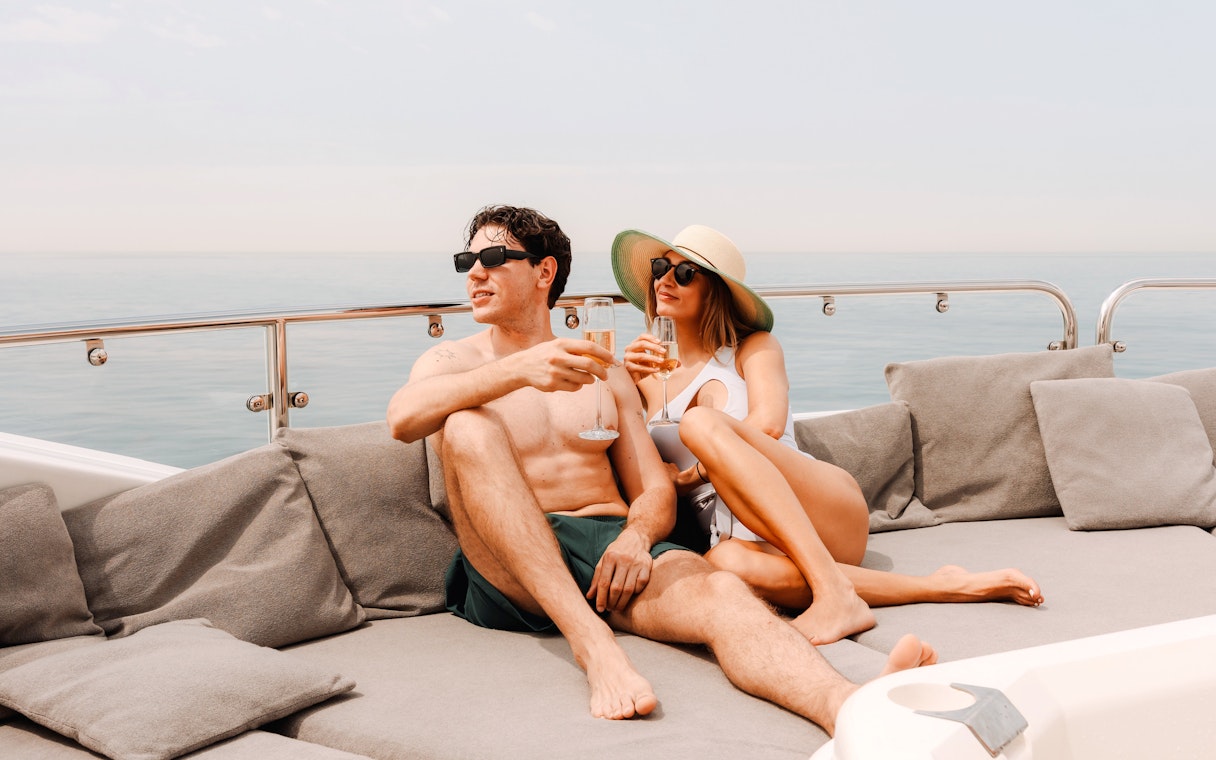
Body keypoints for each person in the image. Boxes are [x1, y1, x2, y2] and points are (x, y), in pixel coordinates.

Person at [387, 205, 935, 732]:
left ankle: (851, 708)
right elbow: (404, 418)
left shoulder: (605, 372)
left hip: (610, 549)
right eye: (466, 263)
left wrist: (636, 536)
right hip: (511, 563)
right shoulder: (450, 362)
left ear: (543, 272)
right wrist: (518, 371)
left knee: (724, 595)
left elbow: (653, 487)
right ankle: (594, 647)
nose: (474, 274)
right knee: (466, 425)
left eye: (493, 259)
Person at [613, 225, 1044, 645]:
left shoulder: (753, 347)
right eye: (658, 268)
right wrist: (621, 375)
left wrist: (687, 478)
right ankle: (940, 585)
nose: (665, 280)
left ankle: (834, 593)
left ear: (715, 292)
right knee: (724, 564)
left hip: (821, 507)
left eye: (684, 273)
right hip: (745, 539)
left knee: (700, 425)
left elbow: (767, 426)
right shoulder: (648, 375)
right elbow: (629, 460)